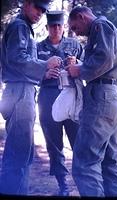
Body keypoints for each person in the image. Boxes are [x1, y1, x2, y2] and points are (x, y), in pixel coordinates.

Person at [0, 0, 62, 195]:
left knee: (22, 154)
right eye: (38, 8)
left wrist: (43, 72)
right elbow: (17, 59)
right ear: (27, 4)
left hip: (21, 91)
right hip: (19, 93)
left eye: (43, 11)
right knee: (19, 154)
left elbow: (21, 63)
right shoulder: (20, 26)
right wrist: (45, 64)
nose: (40, 14)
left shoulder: (24, 27)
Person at [66, 6, 117, 197]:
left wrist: (80, 71)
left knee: (84, 162)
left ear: (82, 17)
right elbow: (104, 57)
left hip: (101, 98)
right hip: (109, 97)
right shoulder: (101, 30)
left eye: (75, 27)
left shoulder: (100, 25)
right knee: (109, 162)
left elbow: (104, 57)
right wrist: (81, 64)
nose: (76, 32)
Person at [37, 10, 83, 196]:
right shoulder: (38, 47)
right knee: (54, 144)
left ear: (64, 26)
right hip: (48, 97)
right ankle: (63, 185)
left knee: (78, 141)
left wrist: (77, 62)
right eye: (52, 26)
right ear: (47, 27)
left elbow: (89, 66)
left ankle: (83, 181)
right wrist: (44, 74)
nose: (56, 29)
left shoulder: (74, 44)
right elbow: (29, 71)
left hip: (71, 96)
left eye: (59, 25)